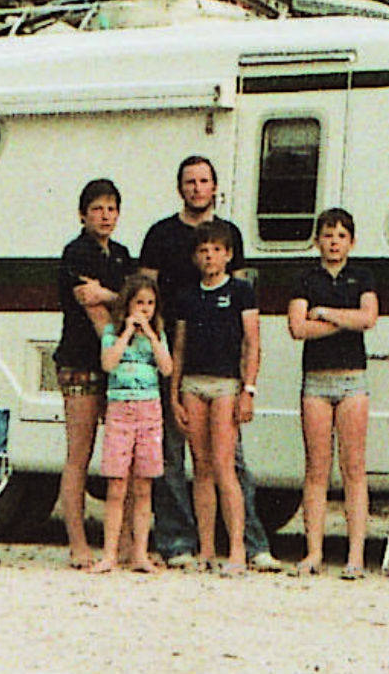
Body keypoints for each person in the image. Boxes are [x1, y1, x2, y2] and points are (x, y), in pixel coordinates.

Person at [139, 155, 281, 571]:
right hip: (172, 355)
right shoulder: (161, 235)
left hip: (222, 372)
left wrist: (247, 384)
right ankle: (180, 543)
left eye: (204, 181)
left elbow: (247, 320)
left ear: (215, 187)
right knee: (173, 457)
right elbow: (144, 290)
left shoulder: (229, 233)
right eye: (190, 181)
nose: (197, 188)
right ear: (179, 187)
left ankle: (250, 545)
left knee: (230, 461)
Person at [287, 208, 378, 579]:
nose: (334, 242)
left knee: (353, 467)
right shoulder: (305, 279)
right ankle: (313, 552)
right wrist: (346, 321)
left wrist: (325, 314)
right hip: (316, 382)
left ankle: (355, 555)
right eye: (327, 235)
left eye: (341, 236)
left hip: (353, 380)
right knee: (316, 468)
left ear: (351, 242)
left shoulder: (363, 276)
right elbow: (297, 328)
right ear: (317, 241)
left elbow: (368, 318)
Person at [169, 221, 261, 576]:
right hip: (192, 385)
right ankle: (206, 549)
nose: (210, 257)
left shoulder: (241, 292)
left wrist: (248, 390)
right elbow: (179, 347)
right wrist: (175, 394)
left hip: (226, 385)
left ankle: (237, 548)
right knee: (201, 467)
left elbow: (252, 343)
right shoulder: (187, 296)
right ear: (196, 257)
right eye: (203, 251)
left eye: (216, 250)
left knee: (225, 465)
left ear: (228, 255)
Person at [53, 178, 134, 569]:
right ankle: (78, 544)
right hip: (82, 362)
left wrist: (110, 294)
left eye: (111, 208)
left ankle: (128, 543)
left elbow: (138, 303)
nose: (105, 216)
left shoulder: (122, 256)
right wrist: (113, 304)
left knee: (124, 455)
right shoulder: (76, 253)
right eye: (98, 208)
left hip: (117, 364)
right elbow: (95, 310)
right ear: (82, 214)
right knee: (80, 454)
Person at [90, 274, 172, 574]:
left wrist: (151, 336)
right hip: (120, 410)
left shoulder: (157, 335)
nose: (145, 308)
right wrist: (126, 333)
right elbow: (108, 363)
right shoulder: (112, 333)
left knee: (143, 485)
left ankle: (140, 554)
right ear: (128, 304)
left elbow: (167, 368)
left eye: (150, 303)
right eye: (139, 303)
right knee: (116, 484)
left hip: (149, 411)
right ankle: (110, 554)